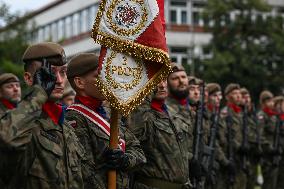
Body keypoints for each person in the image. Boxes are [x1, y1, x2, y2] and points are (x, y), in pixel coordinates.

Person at [0, 42, 85, 188]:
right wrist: (39, 92)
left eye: (63, 72)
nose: (58, 80)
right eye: (50, 73)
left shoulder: (66, 126)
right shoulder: (22, 124)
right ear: (28, 78)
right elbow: (7, 138)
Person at [65, 53, 146, 189]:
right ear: (80, 82)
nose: (107, 80)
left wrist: (125, 160)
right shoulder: (74, 118)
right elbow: (84, 173)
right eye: (99, 76)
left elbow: (139, 154)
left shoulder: (111, 112)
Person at [218, 83, 247, 189]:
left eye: (239, 93)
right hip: (229, 157)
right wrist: (239, 146)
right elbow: (224, 136)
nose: (238, 96)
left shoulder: (240, 114)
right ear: (227, 97)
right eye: (235, 93)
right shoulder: (225, 113)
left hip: (240, 159)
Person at [257, 90, 278, 189]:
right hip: (266, 154)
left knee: (274, 182)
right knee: (268, 183)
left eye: (272, 101)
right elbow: (260, 135)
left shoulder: (273, 116)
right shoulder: (262, 116)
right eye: (269, 101)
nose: (272, 103)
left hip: (275, 153)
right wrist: (269, 147)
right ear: (264, 102)